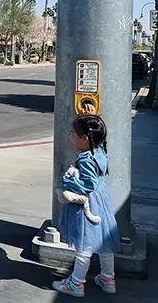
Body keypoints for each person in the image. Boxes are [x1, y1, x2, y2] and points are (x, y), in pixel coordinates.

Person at [52, 115, 121, 298]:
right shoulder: (99, 151)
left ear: (84, 138)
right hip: (101, 202)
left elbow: (89, 184)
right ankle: (108, 279)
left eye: (73, 133)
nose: (70, 136)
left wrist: (70, 181)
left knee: (84, 245)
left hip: (87, 204)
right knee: (104, 243)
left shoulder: (85, 159)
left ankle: (76, 283)